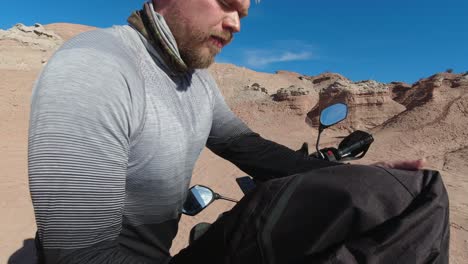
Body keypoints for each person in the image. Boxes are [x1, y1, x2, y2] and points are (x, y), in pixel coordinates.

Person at [28, 0, 449, 263]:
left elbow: (245, 146)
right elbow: (79, 254)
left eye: (242, 13)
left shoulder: (194, 80)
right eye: (226, 3)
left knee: (405, 193)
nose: (236, 24)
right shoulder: (97, 67)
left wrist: (357, 177)